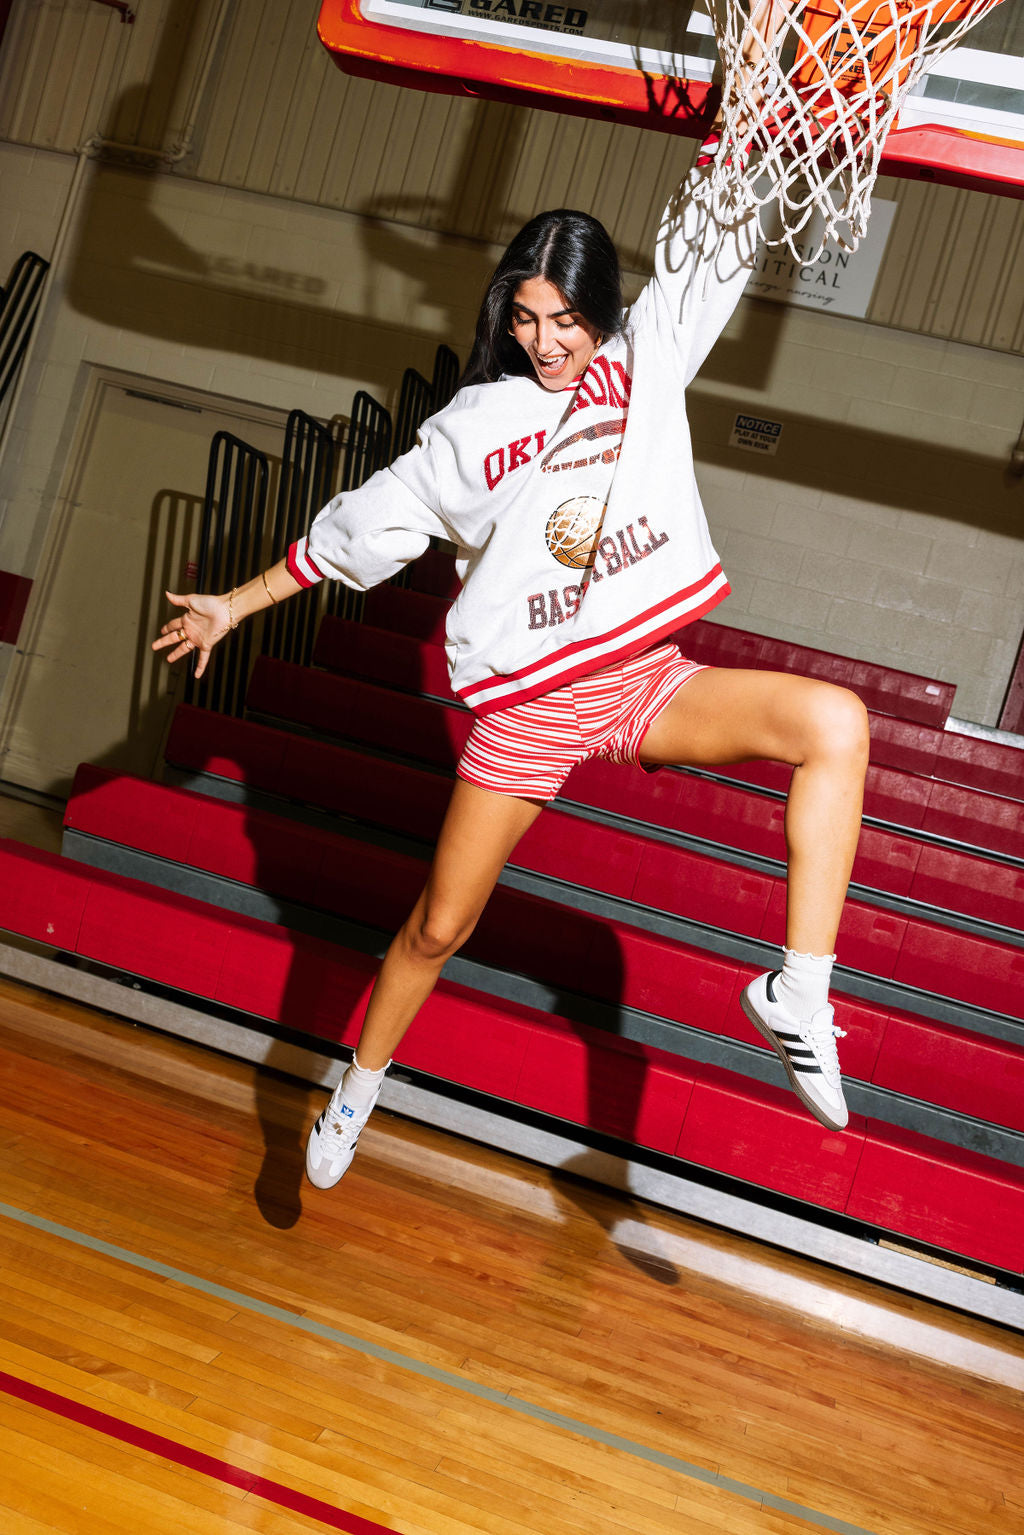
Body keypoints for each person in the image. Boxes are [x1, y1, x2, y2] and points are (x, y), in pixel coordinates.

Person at [154, 12, 869, 1189]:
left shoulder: (645, 360)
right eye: (527, 320)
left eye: (567, 320)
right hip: (530, 700)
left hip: (643, 677)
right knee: (440, 926)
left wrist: (765, 81)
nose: (547, 342)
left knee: (836, 723)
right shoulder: (471, 429)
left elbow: (711, 231)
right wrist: (236, 604)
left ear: (602, 307)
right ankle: (358, 1088)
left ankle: (797, 984)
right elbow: (359, 530)